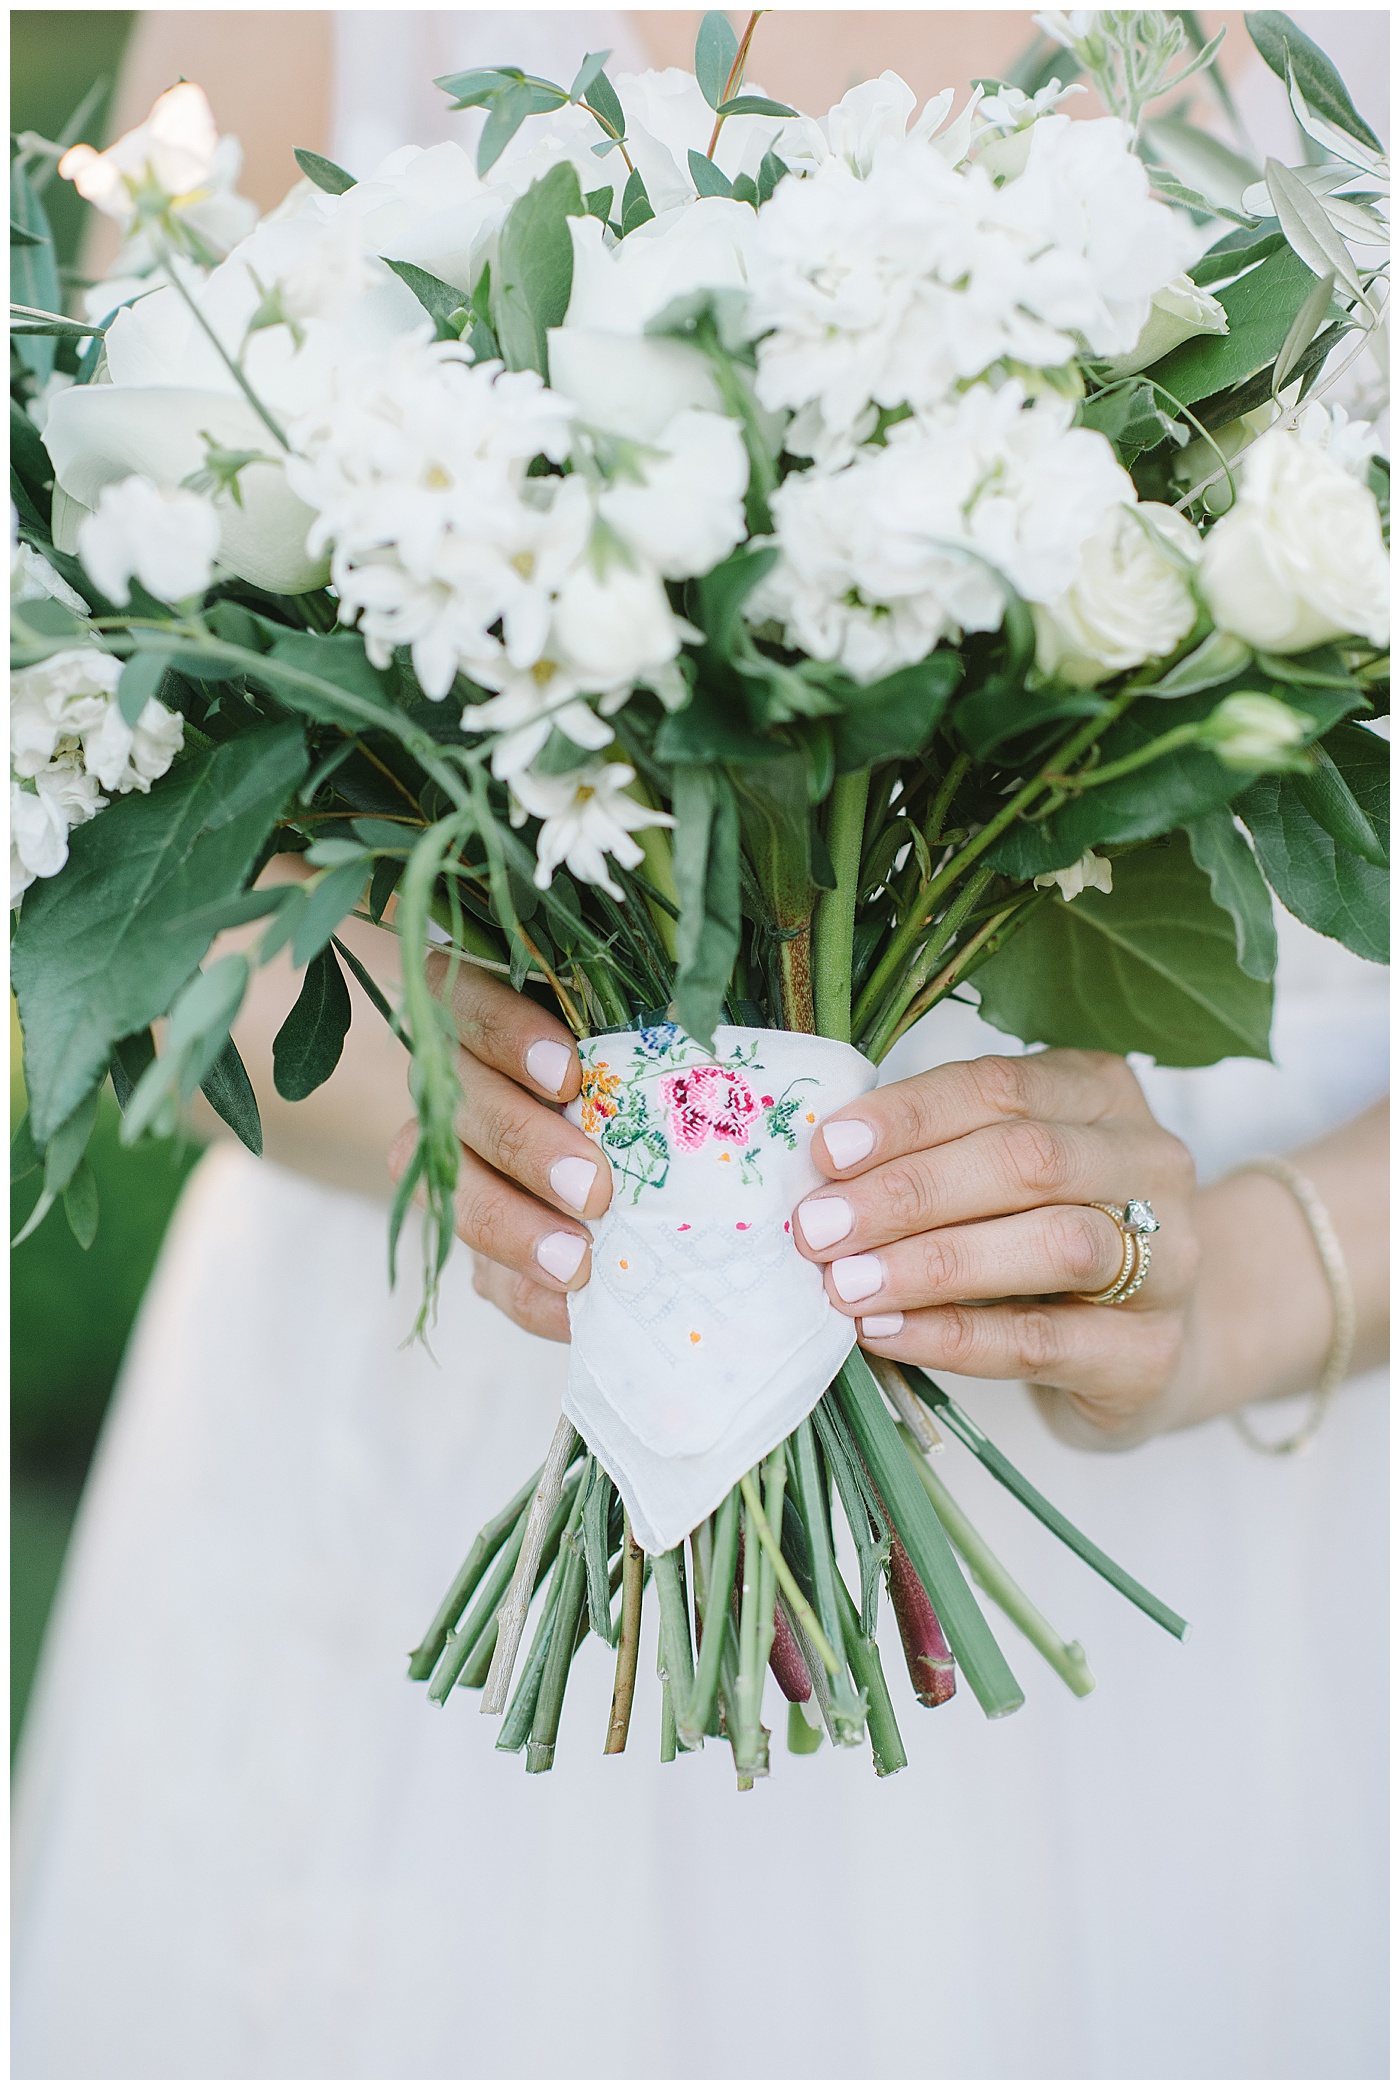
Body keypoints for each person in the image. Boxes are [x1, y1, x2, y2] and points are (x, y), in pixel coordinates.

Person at [12, 10, 1390, 2079]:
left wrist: (1258, 1279)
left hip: (1212, 1514)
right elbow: (83, 756)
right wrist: (428, 1090)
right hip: (425, 1420)